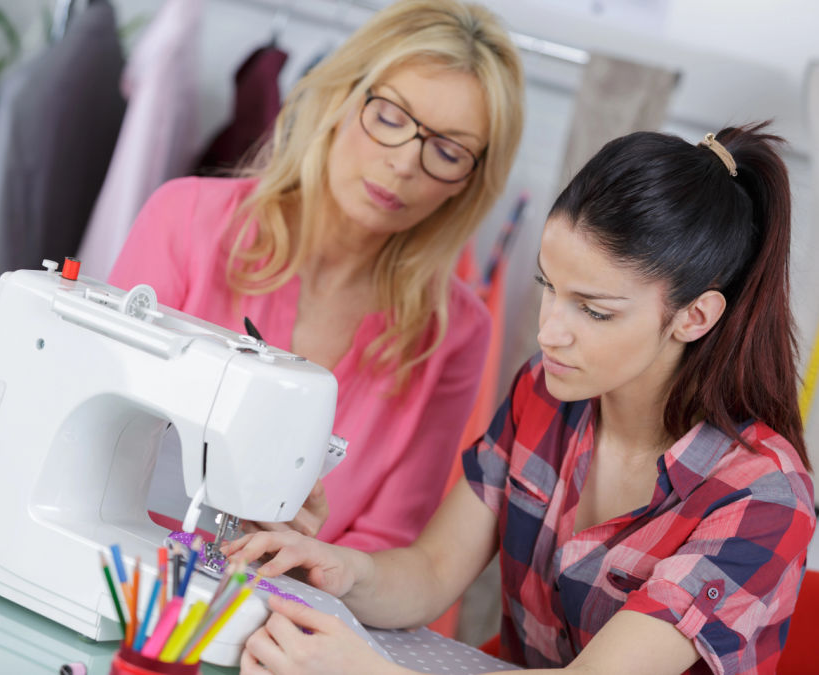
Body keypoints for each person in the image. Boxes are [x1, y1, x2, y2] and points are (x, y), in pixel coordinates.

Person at [225, 124, 817, 675]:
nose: (549, 331)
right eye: (548, 288)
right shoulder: (546, 390)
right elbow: (432, 571)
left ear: (694, 317)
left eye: (594, 310)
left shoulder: (763, 500)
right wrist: (341, 569)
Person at [108, 0, 524, 551]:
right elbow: (104, 431)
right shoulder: (186, 221)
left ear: (468, 183)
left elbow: (382, 549)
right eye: (390, 117)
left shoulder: (454, 334)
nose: (403, 162)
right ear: (340, 97)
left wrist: (309, 557)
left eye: (447, 151)